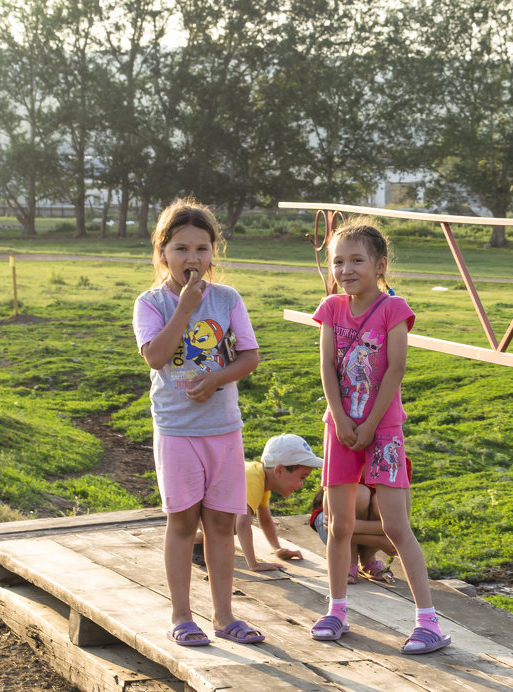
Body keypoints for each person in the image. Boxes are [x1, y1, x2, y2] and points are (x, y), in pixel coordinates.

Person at [309, 221, 450, 654]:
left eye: (356, 260)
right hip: (340, 429)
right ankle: (336, 610)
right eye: (338, 261)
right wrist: (340, 417)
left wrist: (369, 425)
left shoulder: (394, 309)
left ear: (380, 264)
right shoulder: (331, 308)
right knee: (339, 525)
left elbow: (395, 370)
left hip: (382, 431)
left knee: (396, 524)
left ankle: (428, 622)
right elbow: (327, 369)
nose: (346, 269)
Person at [133, 197, 265, 647]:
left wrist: (217, 379)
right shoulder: (150, 303)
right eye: (182, 249)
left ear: (213, 253)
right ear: (162, 252)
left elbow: (249, 357)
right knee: (183, 523)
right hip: (176, 430)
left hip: (223, 428)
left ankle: (225, 617)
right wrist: (185, 309)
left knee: (222, 526)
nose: (192, 259)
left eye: (202, 249)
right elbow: (154, 357)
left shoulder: (227, 299)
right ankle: (181, 616)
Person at [193, 433, 319, 571]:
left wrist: (277, 549)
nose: (302, 485)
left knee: (230, 522)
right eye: (302, 477)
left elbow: (265, 520)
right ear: (279, 471)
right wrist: (254, 564)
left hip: (205, 509)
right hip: (197, 509)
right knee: (231, 524)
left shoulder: (261, 477)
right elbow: (242, 525)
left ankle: (195, 542)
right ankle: (192, 541)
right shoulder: (254, 481)